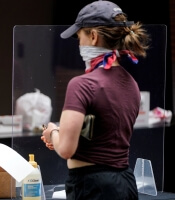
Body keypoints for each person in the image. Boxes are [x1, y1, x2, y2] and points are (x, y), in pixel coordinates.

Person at [41, 1, 150, 200]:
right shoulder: (131, 83)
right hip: (126, 182)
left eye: (79, 36)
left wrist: (53, 132)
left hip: (93, 186)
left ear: (93, 36)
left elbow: (66, 149)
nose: (78, 43)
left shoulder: (82, 84)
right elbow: (103, 132)